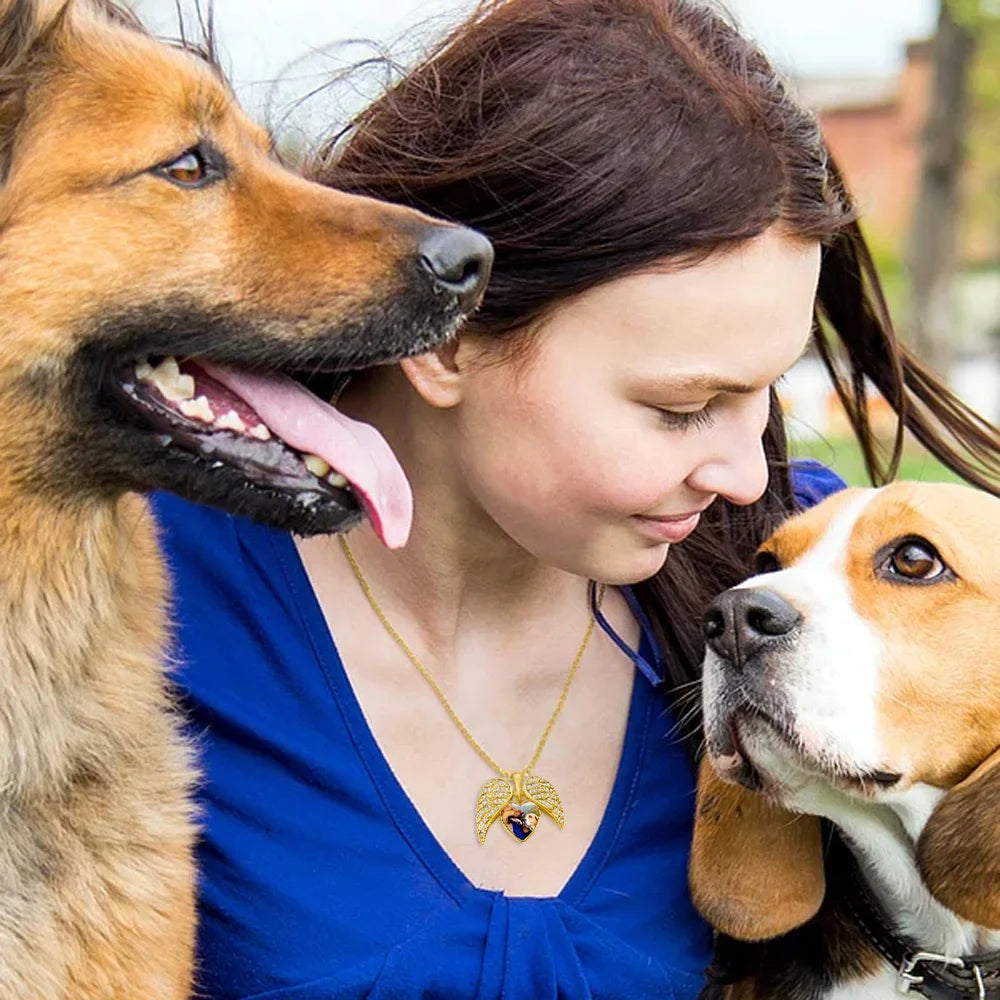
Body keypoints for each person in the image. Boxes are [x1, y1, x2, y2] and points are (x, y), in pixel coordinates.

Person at [152, 1, 1000, 998]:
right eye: (681, 406)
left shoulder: (787, 567)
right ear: (446, 338)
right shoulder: (126, 591)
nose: (744, 472)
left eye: (764, 386)